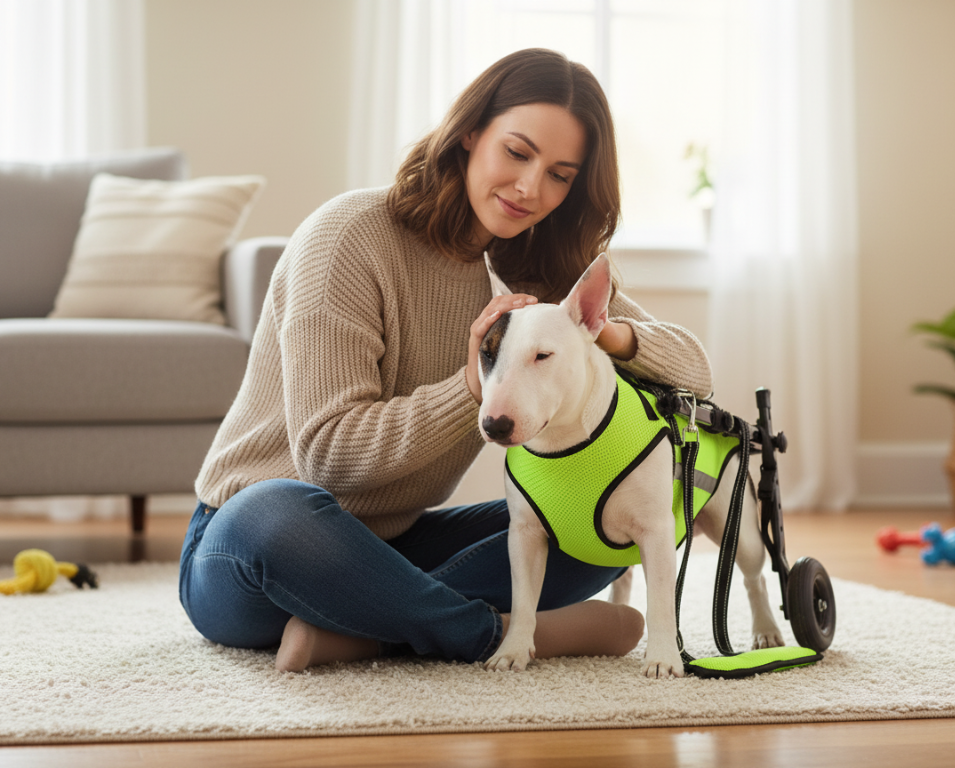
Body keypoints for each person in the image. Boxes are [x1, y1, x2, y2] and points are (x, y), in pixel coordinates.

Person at [179, 48, 713, 672]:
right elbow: (327, 457)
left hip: (397, 543)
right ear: (468, 134)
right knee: (274, 511)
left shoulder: (540, 271)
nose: (530, 188)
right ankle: (493, 633)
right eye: (517, 153)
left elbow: (695, 374)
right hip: (254, 553)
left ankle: (367, 633)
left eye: (560, 174)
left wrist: (609, 334)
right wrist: (471, 384)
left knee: (602, 523)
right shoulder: (348, 238)